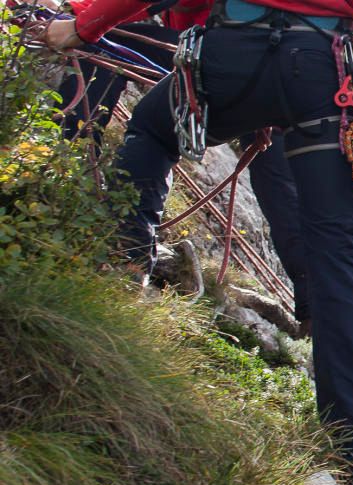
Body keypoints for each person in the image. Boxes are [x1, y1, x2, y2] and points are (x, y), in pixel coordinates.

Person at [39, 0, 353, 485]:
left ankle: (124, 267)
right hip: (322, 73)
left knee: (152, 130)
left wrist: (82, 24)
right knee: (340, 260)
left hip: (229, 62)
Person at [44, 0, 314, 328]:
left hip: (228, 55)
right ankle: (317, 302)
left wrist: (80, 19)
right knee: (278, 181)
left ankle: (71, 175)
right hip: (304, 65)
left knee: (107, 43)